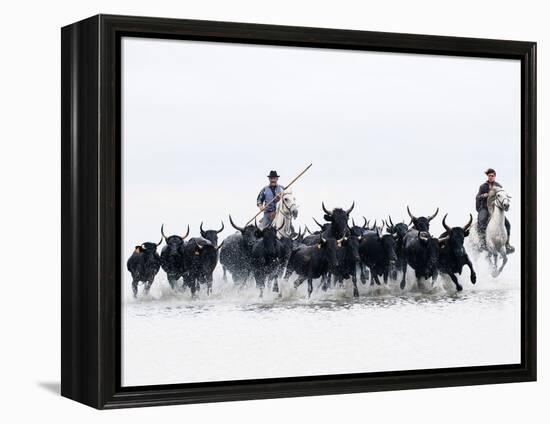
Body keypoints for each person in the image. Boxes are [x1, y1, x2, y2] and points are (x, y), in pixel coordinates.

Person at [475, 168, 514, 253]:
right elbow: (477, 197)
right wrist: (483, 195)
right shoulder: (483, 186)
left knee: (508, 224)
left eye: (492, 176)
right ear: (487, 176)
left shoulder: (498, 186)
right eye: (489, 176)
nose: (490, 177)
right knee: (482, 221)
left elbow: (502, 196)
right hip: (484, 208)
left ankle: (507, 244)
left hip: (495, 208)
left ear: (495, 176)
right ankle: (482, 243)